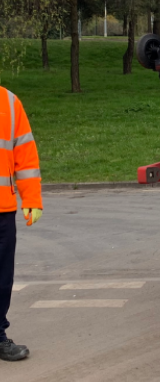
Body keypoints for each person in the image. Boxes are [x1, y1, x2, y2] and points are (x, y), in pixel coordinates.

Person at [0, 87, 42, 361]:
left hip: (2, 209)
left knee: (2, 279)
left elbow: (24, 154)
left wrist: (32, 198)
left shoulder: (8, 102)